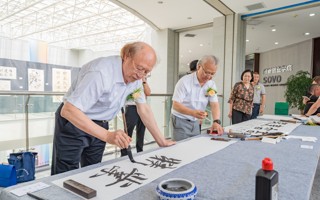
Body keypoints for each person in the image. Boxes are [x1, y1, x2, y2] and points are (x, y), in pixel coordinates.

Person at [51, 41, 175, 175]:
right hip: (74, 122)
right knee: (65, 173)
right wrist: (108, 136)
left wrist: (161, 141)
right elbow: (69, 110)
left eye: (147, 72)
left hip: (100, 123)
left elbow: (143, 108)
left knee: (93, 171)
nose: (141, 75)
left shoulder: (137, 78)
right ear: (126, 56)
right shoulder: (100, 72)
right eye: (139, 68)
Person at [171, 55, 223, 141]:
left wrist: (216, 121)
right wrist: (192, 112)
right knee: (180, 148)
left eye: (212, 74)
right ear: (199, 67)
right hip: (180, 120)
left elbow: (214, 104)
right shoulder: (184, 82)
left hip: (196, 121)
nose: (209, 76)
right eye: (207, 72)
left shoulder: (211, 84)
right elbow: (175, 105)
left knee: (194, 145)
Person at [120, 75, 151, 156]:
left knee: (141, 131)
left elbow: (148, 93)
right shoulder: (130, 79)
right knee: (128, 131)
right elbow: (127, 97)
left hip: (142, 108)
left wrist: (144, 81)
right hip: (131, 108)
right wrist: (139, 94)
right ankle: (124, 153)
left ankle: (140, 151)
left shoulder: (143, 81)